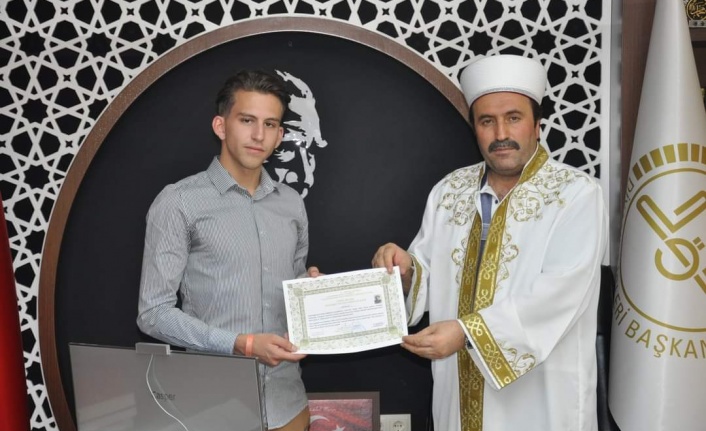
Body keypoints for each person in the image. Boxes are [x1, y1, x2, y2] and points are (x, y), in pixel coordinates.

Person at [372, 54, 607, 431]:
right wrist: (407, 271)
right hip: (457, 387)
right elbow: (428, 272)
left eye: (513, 118)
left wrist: (467, 333)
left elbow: (560, 293)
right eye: (487, 121)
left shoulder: (575, 193)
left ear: (537, 126)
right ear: (475, 128)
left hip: (540, 395)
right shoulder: (449, 191)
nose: (500, 134)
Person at [137, 69, 318, 431]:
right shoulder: (178, 202)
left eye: (270, 124)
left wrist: (313, 294)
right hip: (212, 411)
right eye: (247, 120)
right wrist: (240, 344)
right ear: (221, 126)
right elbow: (153, 313)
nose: (258, 135)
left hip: (288, 406)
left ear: (280, 135)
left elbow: (294, 288)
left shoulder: (291, 204)